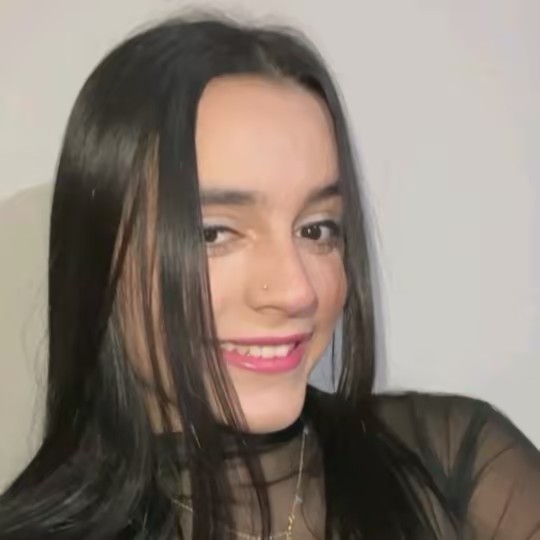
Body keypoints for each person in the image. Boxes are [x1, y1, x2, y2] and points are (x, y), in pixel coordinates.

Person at [1, 14, 539, 540]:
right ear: (98, 257)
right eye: (213, 233)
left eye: (316, 229)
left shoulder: (452, 465)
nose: (297, 291)